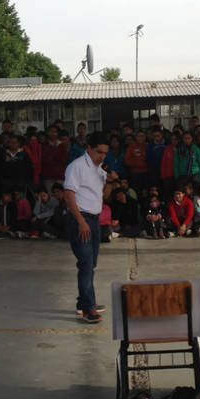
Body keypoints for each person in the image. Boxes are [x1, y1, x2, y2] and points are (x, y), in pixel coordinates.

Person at [63, 132, 115, 323]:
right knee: (86, 263)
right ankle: (88, 308)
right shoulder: (76, 167)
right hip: (80, 219)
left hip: (95, 219)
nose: (101, 157)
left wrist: (111, 182)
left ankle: (84, 301)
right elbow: (69, 194)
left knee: (90, 264)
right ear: (89, 149)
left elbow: (104, 195)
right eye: (98, 152)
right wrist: (81, 221)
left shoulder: (100, 169)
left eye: (105, 153)